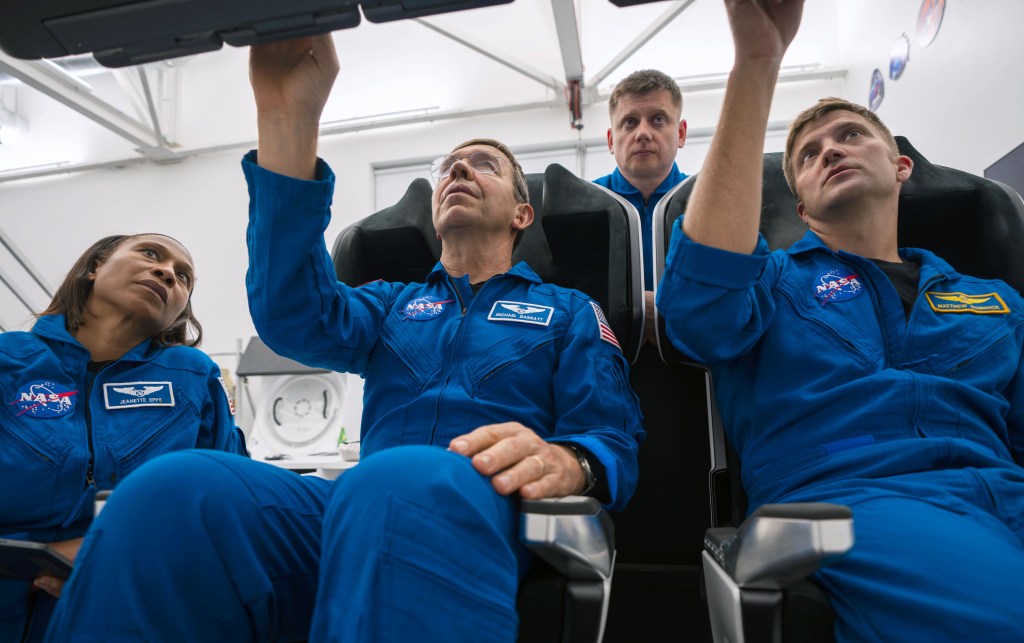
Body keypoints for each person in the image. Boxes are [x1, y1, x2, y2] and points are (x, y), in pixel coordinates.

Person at [44, 33, 644, 643]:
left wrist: (570, 460)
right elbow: (291, 314)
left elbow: (610, 436)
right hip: (360, 504)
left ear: (522, 215)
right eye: (447, 168)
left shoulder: (568, 311)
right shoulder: (392, 303)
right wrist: (288, 120)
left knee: (402, 479)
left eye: (483, 164)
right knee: (170, 489)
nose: (458, 169)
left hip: (488, 512)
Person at [658, 0, 1024, 640]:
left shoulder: (995, 300)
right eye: (808, 153)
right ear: (798, 204)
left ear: (900, 167)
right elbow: (698, 316)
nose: (830, 150)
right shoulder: (770, 280)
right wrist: (758, 61)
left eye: (851, 135)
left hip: (1000, 494)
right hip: (846, 499)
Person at [0, 234, 247, 642]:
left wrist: (103, 547)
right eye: (150, 254)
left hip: (128, 595)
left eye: (183, 277)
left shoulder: (193, 376)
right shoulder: (9, 360)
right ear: (95, 266)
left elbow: (227, 500)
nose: (168, 272)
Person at [594, 68, 688, 343]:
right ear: (612, 140)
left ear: (680, 134)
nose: (642, 133)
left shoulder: (710, 204)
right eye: (630, 122)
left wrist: (658, 306)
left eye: (658, 119)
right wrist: (635, 306)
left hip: (697, 368)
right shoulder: (578, 206)